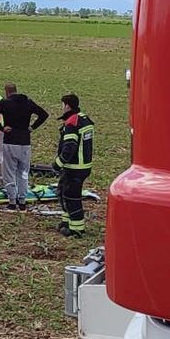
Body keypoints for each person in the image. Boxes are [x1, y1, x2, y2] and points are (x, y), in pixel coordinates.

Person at [0, 83, 48, 211]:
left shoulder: (5, 103)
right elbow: (44, 114)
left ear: (6, 92)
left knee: (9, 172)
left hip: (10, 141)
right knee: (23, 173)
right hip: (25, 142)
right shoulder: (28, 102)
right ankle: (22, 201)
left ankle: (12, 202)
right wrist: (32, 127)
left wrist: (2, 128)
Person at [53, 93, 95, 237]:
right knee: (63, 193)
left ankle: (77, 229)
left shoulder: (72, 124)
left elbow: (69, 148)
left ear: (67, 106)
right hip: (83, 166)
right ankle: (67, 222)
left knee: (72, 198)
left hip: (74, 168)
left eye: (62, 105)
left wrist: (57, 164)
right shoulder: (84, 119)